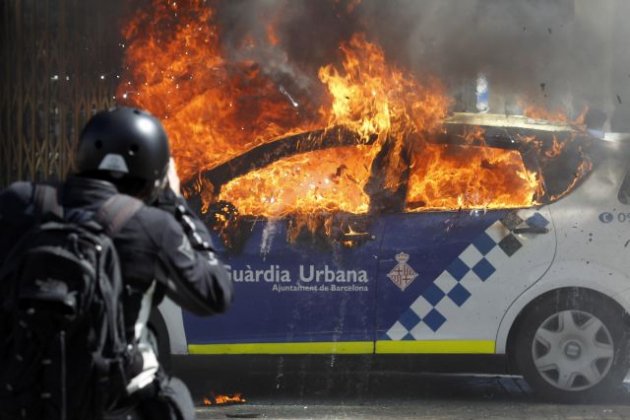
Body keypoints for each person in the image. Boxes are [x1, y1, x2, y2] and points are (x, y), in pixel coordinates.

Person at [0, 107, 233, 419]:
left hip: (23, 398)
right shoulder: (151, 227)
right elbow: (214, 293)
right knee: (174, 398)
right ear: (156, 171)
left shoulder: (19, 202)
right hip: (114, 403)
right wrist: (177, 205)